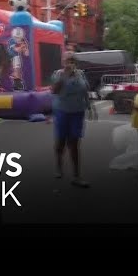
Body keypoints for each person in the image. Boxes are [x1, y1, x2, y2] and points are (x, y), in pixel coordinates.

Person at [50, 52, 91, 188]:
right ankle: (58, 165)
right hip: (62, 111)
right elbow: (54, 91)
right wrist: (64, 77)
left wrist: (89, 106)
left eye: (72, 60)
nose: (70, 63)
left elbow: (85, 89)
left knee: (74, 143)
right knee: (61, 142)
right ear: (63, 62)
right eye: (67, 60)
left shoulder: (81, 74)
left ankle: (76, 176)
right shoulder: (58, 74)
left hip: (78, 112)